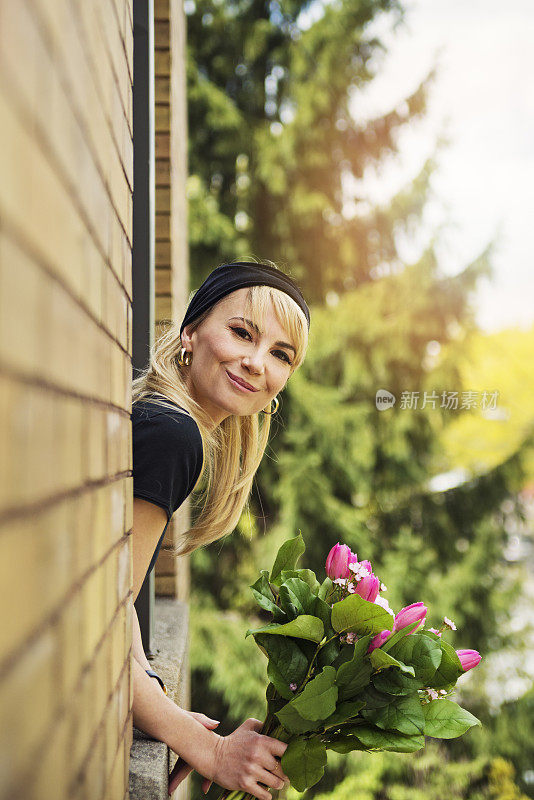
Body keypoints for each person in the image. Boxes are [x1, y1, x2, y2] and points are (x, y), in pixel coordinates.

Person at [130, 261, 310, 799]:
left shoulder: (163, 418)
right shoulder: (173, 435)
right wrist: (209, 748)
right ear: (190, 332)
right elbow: (98, 621)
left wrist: (161, 710)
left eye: (281, 355)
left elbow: (115, 600)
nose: (257, 363)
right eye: (242, 332)